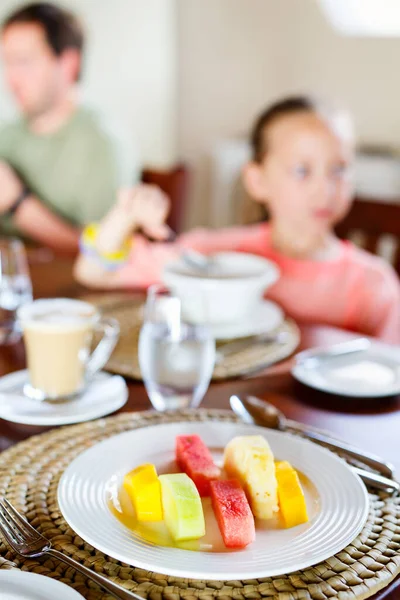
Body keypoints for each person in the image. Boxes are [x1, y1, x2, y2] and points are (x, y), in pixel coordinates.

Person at [74, 96, 400, 343]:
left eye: (339, 169)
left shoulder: (374, 284)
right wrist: (125, 214)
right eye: (302, 171)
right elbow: (94, 271)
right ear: (257, 180)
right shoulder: (212, 257)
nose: (324, 188)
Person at [0, 2, 139, 253]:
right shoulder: (7, 135)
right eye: (7, 62)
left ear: (68, 63)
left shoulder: (103, 143)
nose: (11, 78)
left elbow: (104, 254)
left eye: (23, 62)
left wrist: (17, 202)